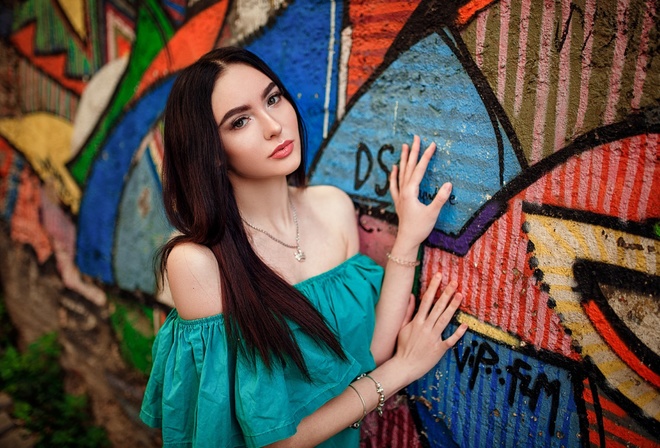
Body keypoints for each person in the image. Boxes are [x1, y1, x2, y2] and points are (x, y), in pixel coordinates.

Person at [139, 46, 468, 448]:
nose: (274, 125)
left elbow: (369, 350)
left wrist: (410, 237)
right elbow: (277, 441)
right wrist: (403, 370)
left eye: (273, 99)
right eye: (240, 121)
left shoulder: (332, 206)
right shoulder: (198, 262)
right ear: (210, 153)